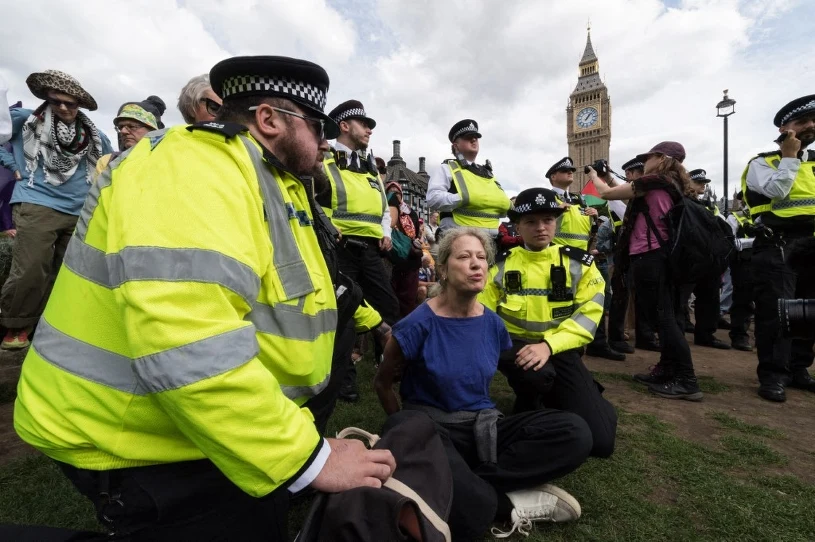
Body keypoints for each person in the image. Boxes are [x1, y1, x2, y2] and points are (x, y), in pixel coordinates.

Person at [14, 55, 396, 540]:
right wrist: (304, 456)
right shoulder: (195, 166)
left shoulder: (275, 181)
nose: (325, 139)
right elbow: (186, 337)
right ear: (269, 119)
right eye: (316, 124)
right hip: (139, 440)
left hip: (203, 428)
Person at [375, 228, 588, 540]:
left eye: (482, 258)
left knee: (575, 432)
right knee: (403, 426)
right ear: (443, 270)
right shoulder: (415, 325)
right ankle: (500, 501)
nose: (476, 264)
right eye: (464, 257)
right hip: (432, 429)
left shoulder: (492, 323)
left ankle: (463, 484)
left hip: (482, 428)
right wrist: (401, 427)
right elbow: (382, 384)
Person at [480, 187, 617, 456]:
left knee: (601, 442)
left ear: (556, 222)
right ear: (517, 226)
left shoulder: (579, 263)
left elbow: (589, 317)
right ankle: (530, 404)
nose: (541, 228)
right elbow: (481, 315)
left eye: (548, 220)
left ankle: (572, 395)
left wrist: (549, 345)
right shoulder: (498, 265)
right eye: (531, 221)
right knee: (538, 375)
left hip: (560, 349)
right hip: (513, 349)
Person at [0, 69, 113, 350]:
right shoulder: (24, 120)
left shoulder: (94, 134)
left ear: (80, 105)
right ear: (47, 99)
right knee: (31, 268)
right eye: (56, 101)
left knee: (69, 270)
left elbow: (111, 161)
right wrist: (14, 167)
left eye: (70, 103)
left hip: (80, 209)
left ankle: (53, 324)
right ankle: (16, 325)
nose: (63, 107)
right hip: (37, 201)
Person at [590, 141, 704, 401]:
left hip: (650, 256)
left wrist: (594, 176)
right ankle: (666, 369)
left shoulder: (656, 180)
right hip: (665, 256)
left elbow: (607, 195)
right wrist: (609, 175)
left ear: (662, 158)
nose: (645, 162)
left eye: (649, 157)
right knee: (667, 315)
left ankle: (687, 379)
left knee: (662, 318)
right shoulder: (672, 183)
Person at [319, 99, 399, 402]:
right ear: (344, 125)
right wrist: (328, 227)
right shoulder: (325, 157)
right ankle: (344, 381)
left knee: (389, 307)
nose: (369, 129)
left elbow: (381, 206)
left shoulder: (369, 166)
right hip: (340, 246)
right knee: (345, 313)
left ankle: (392, 368)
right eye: (364, 124)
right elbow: (312, 198)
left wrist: (386, 232)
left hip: (370, 248)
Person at [741, 94, 815, 402]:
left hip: (811, 246)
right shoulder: (762, 163)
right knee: (777, 312)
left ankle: (799, 368)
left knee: (808, 312)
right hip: (778, 244)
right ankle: (773, 374)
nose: (810, 126)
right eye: (802, 122)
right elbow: (777, 190)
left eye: (813, 121)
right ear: (785, 128)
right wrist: (788, 157)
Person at [426, 119, 511, 238]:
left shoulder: (488, 174)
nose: (474, 140)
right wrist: (463, 197)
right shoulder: (447, 168)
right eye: (468, 137)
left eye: (476, 137)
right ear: (456, 145)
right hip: (459, 237)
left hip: (492, 240)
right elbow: (433, 198)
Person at [677, 169, 731, 349]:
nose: (703, 185)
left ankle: (706, 334)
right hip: (690, 258)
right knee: (680, 298)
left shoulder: (707, 205)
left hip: (709, 258)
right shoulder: (680, 202)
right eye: (698, 182)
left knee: (709, 297)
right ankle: (677, 334)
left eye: (704, 183)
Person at [607, 157, 653, 354]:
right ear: (631, 175)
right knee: (622, 295)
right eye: (640, 173)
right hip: (626, 252)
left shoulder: (647, 192)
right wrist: (607, 178)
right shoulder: (626, 195)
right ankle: (618, 335)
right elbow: (618, 199)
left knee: (643, 296)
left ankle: (644, 334)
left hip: (643, 251)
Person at [94, 96, 167, 180]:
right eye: (120, 127)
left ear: (152, 130)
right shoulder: (107, 161)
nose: (123, 131)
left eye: (131, 126)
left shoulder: (168, 160)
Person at [545, 156, 598, 250]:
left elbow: (592, 230)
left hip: (582, 254)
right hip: (558, 253)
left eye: (571, 171)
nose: (570, 172)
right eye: (564, 171)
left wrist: (594, 216)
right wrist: (556, 212)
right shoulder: (547, 197)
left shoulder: (579, 198)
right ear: (553, 177)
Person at [387, 181, 422, 319]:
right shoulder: (386, 211)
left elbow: (416, 233)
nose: (395, 195)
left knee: (408, 300)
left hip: (410, 262)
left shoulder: (410, 212)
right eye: (391, 192)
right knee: (392, 298)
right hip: (393, 261)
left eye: (397, 192)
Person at [726, 191, 755, 351]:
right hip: (744, 262)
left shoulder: (769, 215)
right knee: (743, 301)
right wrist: (755, 241)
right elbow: (731, 241)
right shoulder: (735, 217)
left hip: (765, 260)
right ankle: (739, 336)